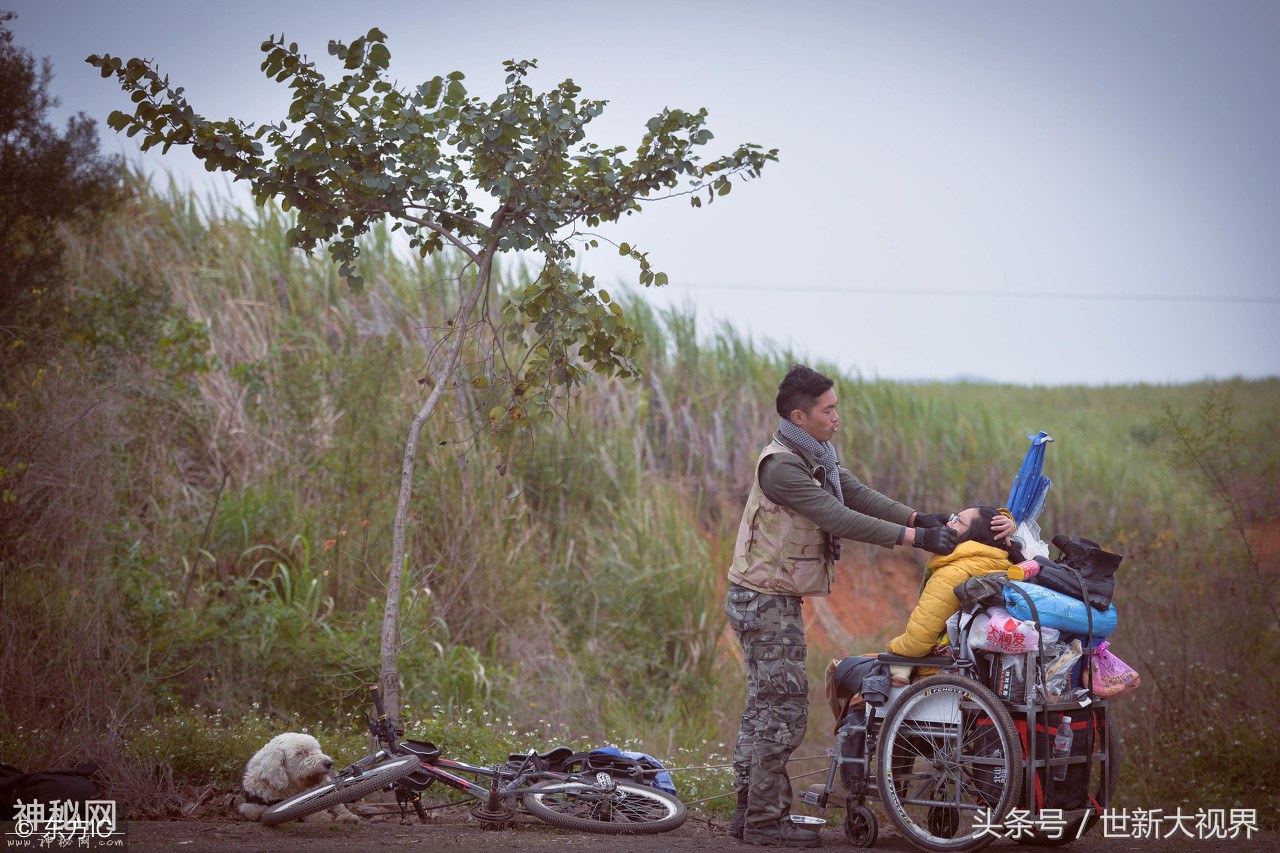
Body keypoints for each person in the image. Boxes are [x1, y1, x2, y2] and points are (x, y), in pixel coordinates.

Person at [723, 365, 1012, 847]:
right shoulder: (782, 467)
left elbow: (853, 492)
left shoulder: (815, 456)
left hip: (770, 596)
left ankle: (750, 815)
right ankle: (764, 822)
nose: (837, 417)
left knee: (764, 707)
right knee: (784, 710)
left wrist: (919, 516)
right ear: (800, 415)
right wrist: (916, 537)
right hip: (763, 600)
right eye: (828, 409)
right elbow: (836, 514)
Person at [885, 505, 1024, 677]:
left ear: (974, 536)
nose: (948, 523)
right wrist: (1009, 522)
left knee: (853, 669)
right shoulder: (1000, 563)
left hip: (939, 671)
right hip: (975, 671)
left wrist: (890, 646)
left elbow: (916, 644)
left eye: (958, 521)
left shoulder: (952, 573)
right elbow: (990, 525)